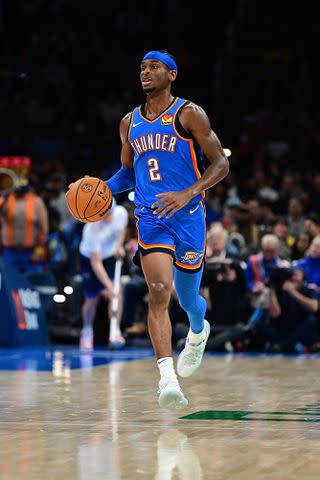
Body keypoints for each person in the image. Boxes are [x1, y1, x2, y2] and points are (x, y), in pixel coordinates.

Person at [103, 50, 229, 409]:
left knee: (188, 299)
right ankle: (167, 378)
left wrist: (188, 193)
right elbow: (128, 172)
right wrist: (100, 190)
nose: (146, 72)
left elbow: (220, 164)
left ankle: (198, 328)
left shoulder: (188, 113)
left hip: (188, 215)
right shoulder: (129, 122)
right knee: (159, 290)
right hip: (150, 217)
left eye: (154, 67)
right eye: (142, 67)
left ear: (172, 74)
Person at [78, 200, 128, 349]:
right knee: (92, 298)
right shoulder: (91, 229)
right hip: (90, 260)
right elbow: (96, 263)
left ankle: (115, 331)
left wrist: (119, 245)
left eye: (109, 214)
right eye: (104, 215)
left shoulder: (121, 213)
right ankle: (86, 330)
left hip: (110, 256)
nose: (108, 218)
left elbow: (122, 229)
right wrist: (108, 286)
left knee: (117, 294)